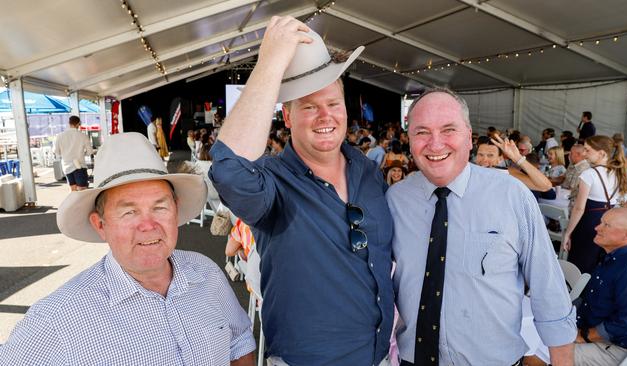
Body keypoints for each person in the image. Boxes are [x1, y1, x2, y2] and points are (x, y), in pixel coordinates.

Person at [210, 17, 393, 366]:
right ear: (288, 118)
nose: (325, 115)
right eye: (308, 106)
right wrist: (271, 63)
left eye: (333, 104)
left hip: (379, 357)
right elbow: (229, 171)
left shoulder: (368, 172)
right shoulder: (271, 182)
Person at [0, 132, 255, 365]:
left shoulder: (206, 272)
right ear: (101, 225)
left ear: (175, 210)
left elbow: (239, 341)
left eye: (159, 207)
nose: (148, 225)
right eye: (129, 212)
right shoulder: (58, 319)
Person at [387, 87, 575, 366]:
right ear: (409, 138)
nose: (435, 144)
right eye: (422, 132)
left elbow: (548, 287)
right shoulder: (395, 199)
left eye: (448, 129)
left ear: (468, 136)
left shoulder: (511, 195)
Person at [573, 208, 627, 365]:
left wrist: (583, 335)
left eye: (606, 225)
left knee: (540, 352)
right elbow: (590, 300)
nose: (597, 228)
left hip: (614, 348)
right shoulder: (612, 257)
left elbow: (626, 325)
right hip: (587, 331)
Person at [562, 135, 627, 274]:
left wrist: (567, 233)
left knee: (581, 263)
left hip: (589, 222)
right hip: (611, 223)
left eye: (587, 150)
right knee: (600, 264)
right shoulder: (618, 172)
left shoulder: (589, 174)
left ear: (602, 153)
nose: (584, 154)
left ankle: (576, 292)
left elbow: (579, 208)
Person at [474, 138, 553, 192]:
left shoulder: (505, 173)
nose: (484, 160)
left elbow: (545, 186)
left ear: (500, 159)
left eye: (490, 155)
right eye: (480, 155)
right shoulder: (469, 170)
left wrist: (518, 158)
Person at [54, 115, 92, 191]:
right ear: (78, 124)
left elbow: (56, 152)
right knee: (82, 191)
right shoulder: (83, 136)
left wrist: (66, 154)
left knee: (73, 190)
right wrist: (82, 154)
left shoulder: (59, 136)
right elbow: (90, 152)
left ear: (69, 123)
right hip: (79, 166)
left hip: (67, 166)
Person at [562, 144, 591, 210]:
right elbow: (564, 177)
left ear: (578, 155)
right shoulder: (572, 163)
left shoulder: (584, 169)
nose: (569, 155)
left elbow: (573, 188)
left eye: (571, 153)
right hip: (564, 195)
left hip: (571, 200)